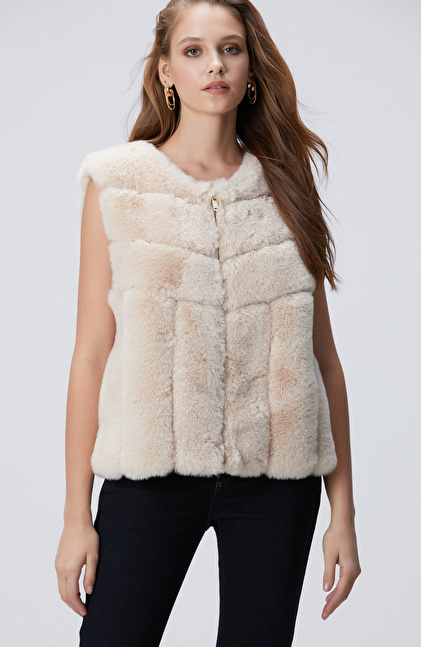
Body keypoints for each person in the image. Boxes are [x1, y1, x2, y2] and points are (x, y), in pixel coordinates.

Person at [54, 1, 361, 645]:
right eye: (193, 51)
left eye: (230, 49)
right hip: (149, 475)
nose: (214, 65)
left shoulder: (286, 187)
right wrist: (76, 517)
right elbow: (90, 355)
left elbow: (325, 362)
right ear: (165, 70)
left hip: (278, 483)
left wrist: (344, 514)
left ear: (250, 67)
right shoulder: (118, 184)